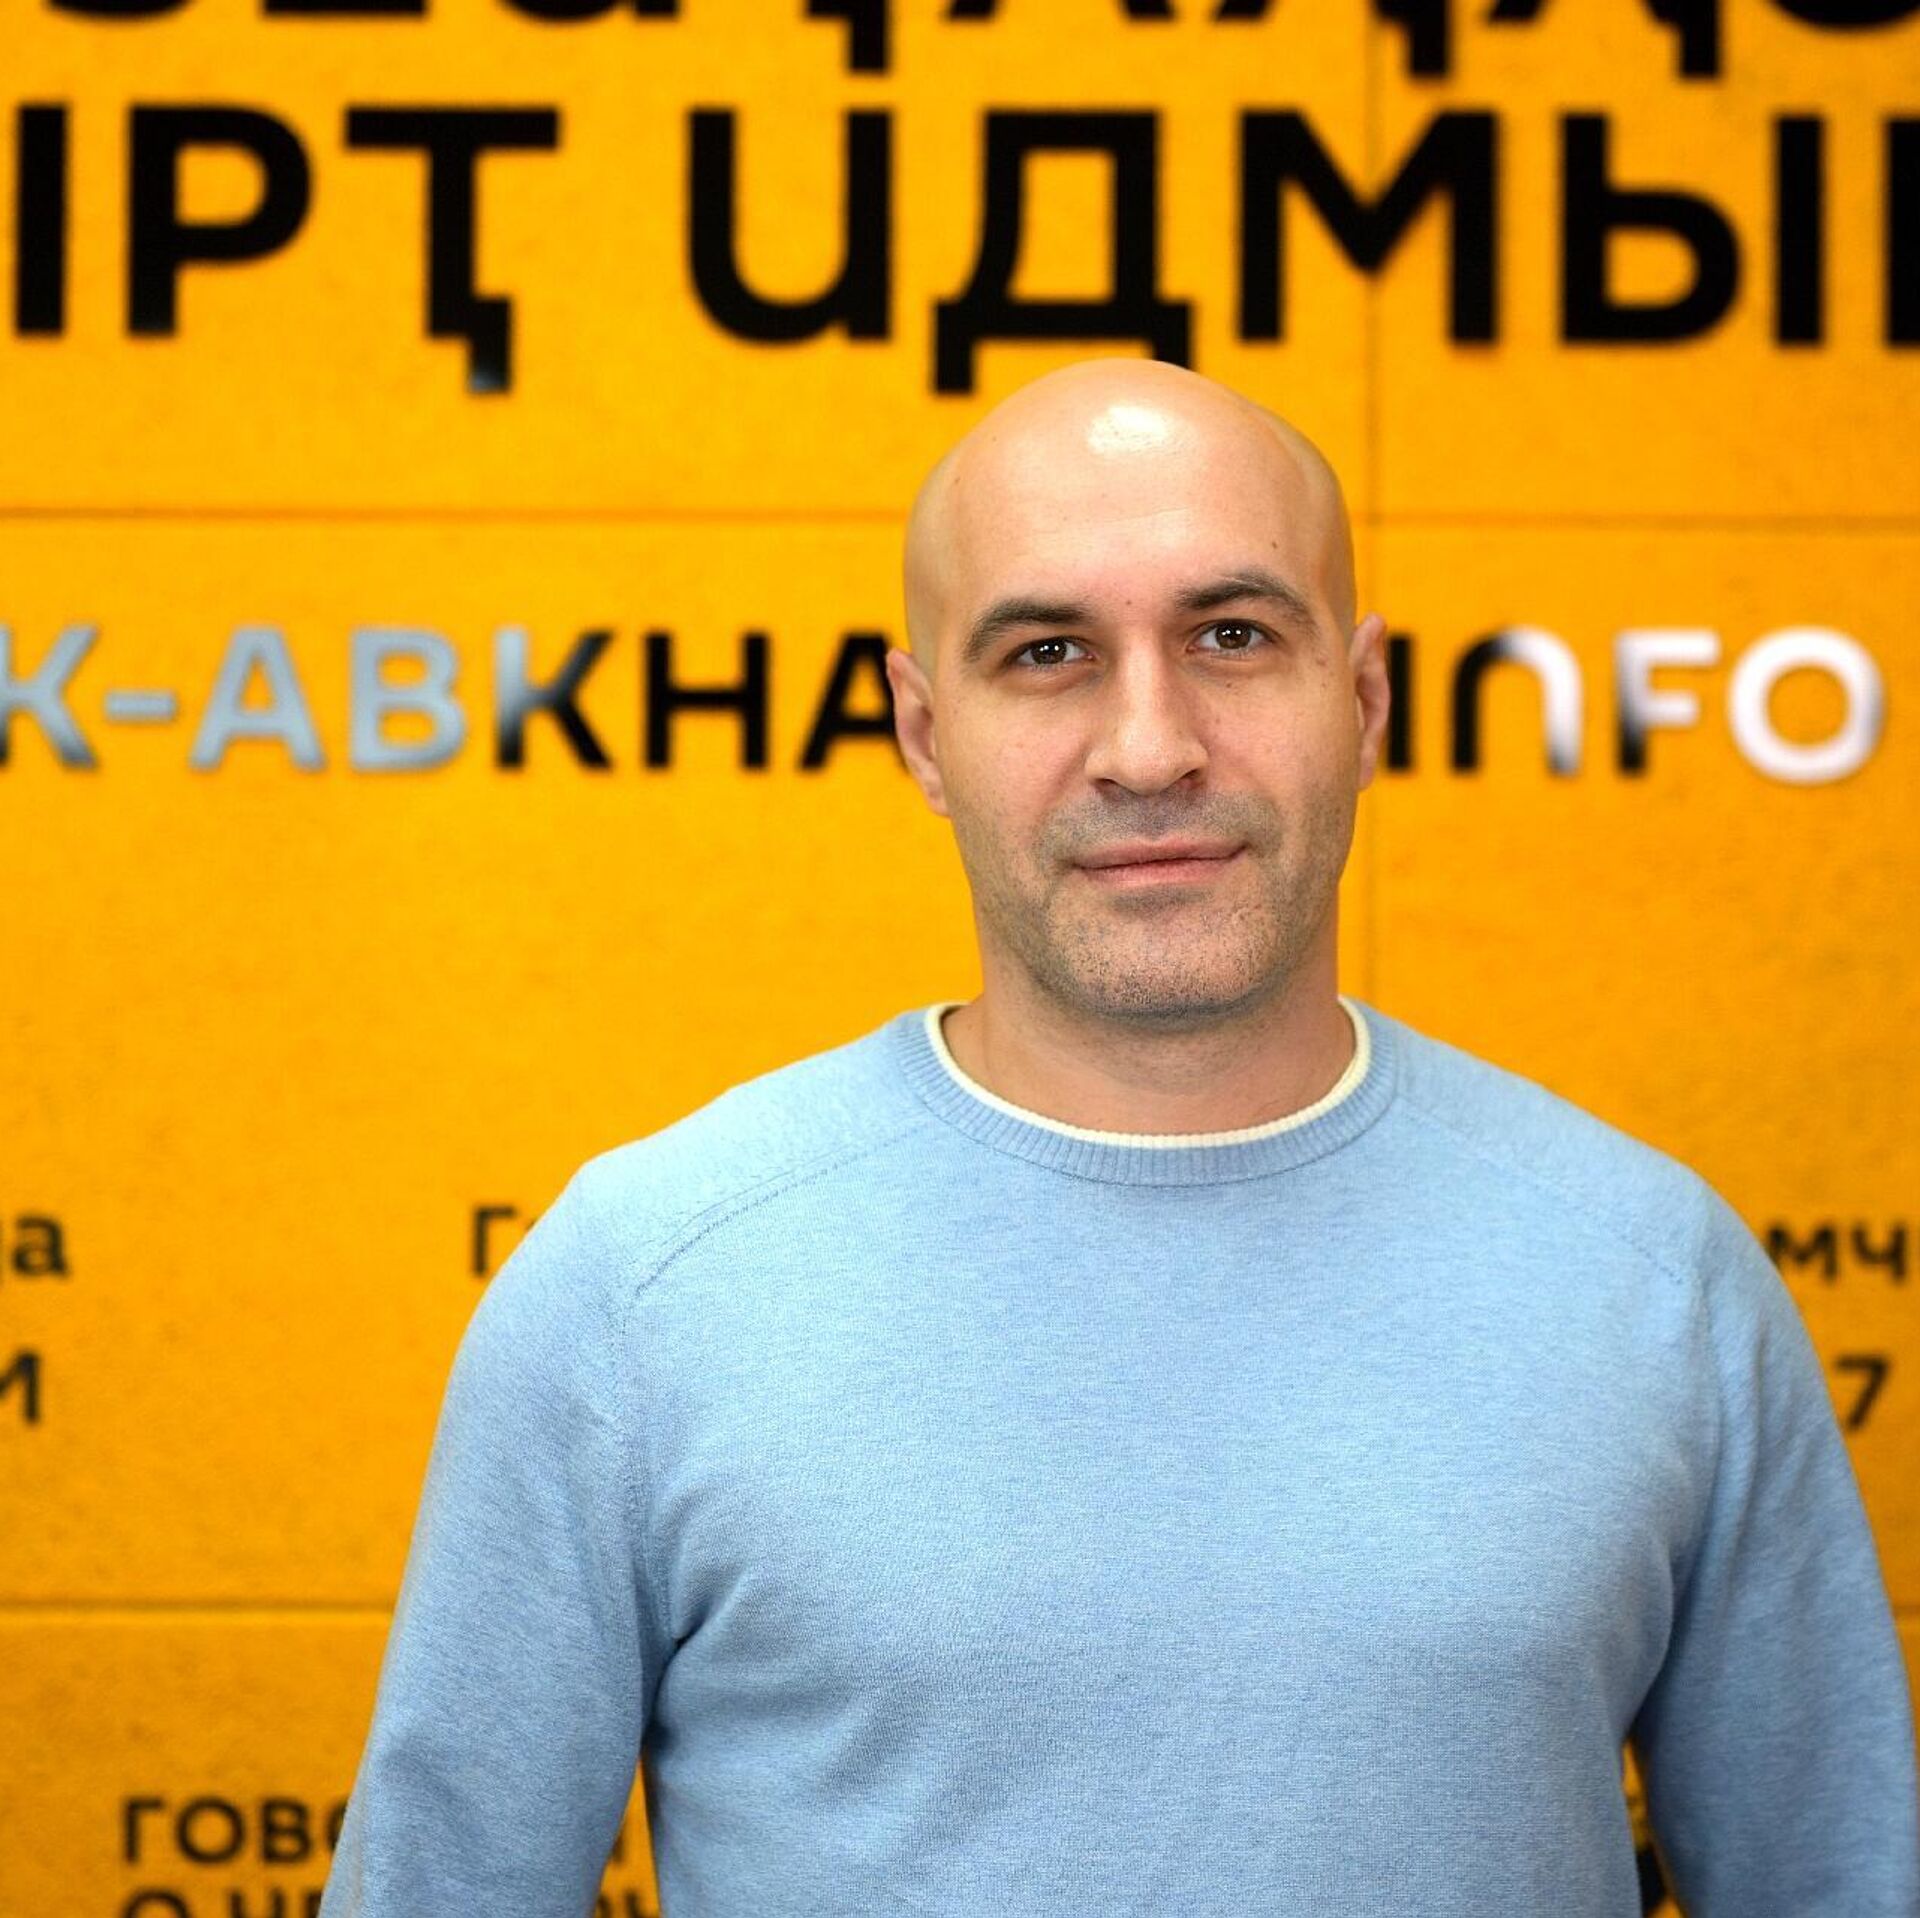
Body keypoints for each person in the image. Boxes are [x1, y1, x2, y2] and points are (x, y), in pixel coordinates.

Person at [318, 357, 1920, 1918]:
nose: (1150, 746)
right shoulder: (641, 1287)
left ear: (1363, 700)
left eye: (1233, 635)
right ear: (924, 733)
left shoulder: (1653, 1277)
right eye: (1047, 653)